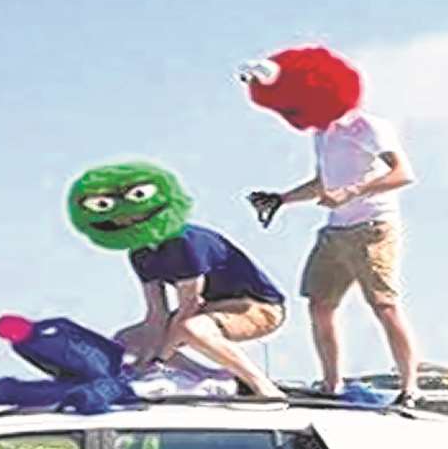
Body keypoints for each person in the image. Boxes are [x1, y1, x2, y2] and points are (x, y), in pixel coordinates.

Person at [239, 46, 421, 404]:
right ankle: (331, 384)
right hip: (335, 230)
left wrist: (352, 191)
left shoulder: (367, 126)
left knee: (384, 305)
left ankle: (410, 386)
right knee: (320, 305)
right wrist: (282, 199)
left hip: (374, 227)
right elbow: (323, 183)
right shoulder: (321, 134)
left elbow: (403, 173)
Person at [69, 161, 286, 398]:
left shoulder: (186, 242)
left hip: (258, 308)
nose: (124, 218)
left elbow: (190, 306)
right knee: (125, 341)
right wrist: (143, 361)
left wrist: (159, 357)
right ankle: (206, 376)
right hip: (208, 308)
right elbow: (156, 314)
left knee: (191, 328)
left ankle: (263, 386)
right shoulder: (139, 253)